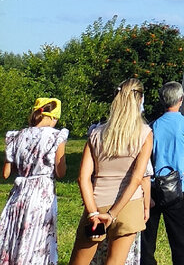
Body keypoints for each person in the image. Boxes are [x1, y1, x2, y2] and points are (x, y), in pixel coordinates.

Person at [70, 79, 154, 265]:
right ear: (140, 100)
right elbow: (137, 179)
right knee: (115, 261)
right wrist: (114, 213)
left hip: (97, 202)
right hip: (128, 205)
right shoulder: (145, 133)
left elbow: (83, 178)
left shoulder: (96, 133)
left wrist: (93, 213)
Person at [0, 96, 69, 265]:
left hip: (19, 192)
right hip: (40, 194)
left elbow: (6, 174)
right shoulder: (56, 136)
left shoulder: (16, 137)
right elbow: (60, 172)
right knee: (37, 237)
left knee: (15, 235)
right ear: (53, 117)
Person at [142, 82, 184, 265]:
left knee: (148, 236)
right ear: (180, 99)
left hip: (153, 185)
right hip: (176, 185)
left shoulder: (153, 126)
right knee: (180, 237)